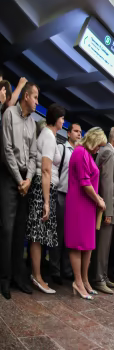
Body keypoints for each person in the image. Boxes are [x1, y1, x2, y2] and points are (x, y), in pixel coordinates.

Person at [0, 82, 39, 299]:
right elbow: (6, 149)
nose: (37, 102)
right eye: (35, 97)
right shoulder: (9, 114)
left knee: (19, 231)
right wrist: (19, 179)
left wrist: (28, 179)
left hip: (25, 180)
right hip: (9, 177)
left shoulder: (33, 124)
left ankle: (18, 277)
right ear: (26, 96)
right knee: (7, 229)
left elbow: (33, 156)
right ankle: (4, 279)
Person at [26, 104, 65, 294]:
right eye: (62, 118)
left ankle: (37, 275)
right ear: (56, 118)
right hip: (43, 188)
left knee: (39, 234)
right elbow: (46, 169)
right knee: (37, 233)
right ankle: (37, 276)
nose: (63, 121)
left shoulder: (47, 135)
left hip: (43, 187)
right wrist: (47, 202)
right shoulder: (48, 136)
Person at [65, 127, 107, 300]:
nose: (99, 149)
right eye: (99, 145)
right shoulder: (80, 152)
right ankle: (78, 282)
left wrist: (96, 199)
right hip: (79, 204)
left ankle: (85, 280)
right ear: (93, 140)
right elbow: (84, 182)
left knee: (88, 244)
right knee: (77, 244)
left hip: (87, 205)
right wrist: (98, 199)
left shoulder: (86, 154)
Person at [93, 126, 114, 294]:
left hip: (110, 208)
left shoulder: (111, 153)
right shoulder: (108, 153)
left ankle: (103, 276)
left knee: (106, 246)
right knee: (102, 245)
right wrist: (108, 212)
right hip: (107, 208)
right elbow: (106, 184)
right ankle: (98, 278)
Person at [49, 122, 81, 286]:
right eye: (76, 131)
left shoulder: (80, 152)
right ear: (68, 133)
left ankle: (67, 270)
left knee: (70, 235)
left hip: (75, 199)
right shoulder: (62, 149)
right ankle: (54, 270)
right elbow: (54, 170)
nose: (79, 134)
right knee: (59, 233)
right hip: (61, 194)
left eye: (80, 132)